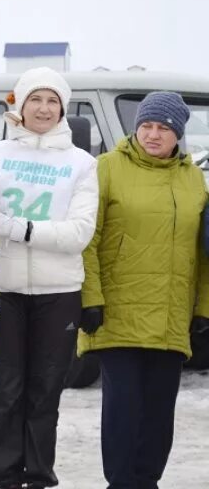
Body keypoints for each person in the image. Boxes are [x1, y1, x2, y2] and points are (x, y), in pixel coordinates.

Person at [0, 67, 99, 489]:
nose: (44, 108)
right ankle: (0, 477)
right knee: (6, 391)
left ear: (64, 110)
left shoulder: (81, 164)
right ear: (21, 103)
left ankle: (37, 477)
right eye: (36, 99)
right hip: (4, 290)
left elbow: (78, 234)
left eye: (53, 101)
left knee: (44, 392)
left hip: (59, 293)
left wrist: (13, 226)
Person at [78, 91, 209, 489]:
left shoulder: (193, 179)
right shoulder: (106, 169)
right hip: (117, 316)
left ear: (178, 135)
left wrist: (203, 308)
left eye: (164, 128)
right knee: (123, 412)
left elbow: (202, 252)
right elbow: (88, 239)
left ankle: (146, 483)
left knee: (158, 417)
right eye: (146, 126)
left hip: (170, 319)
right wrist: (90, 299)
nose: (153, 135)